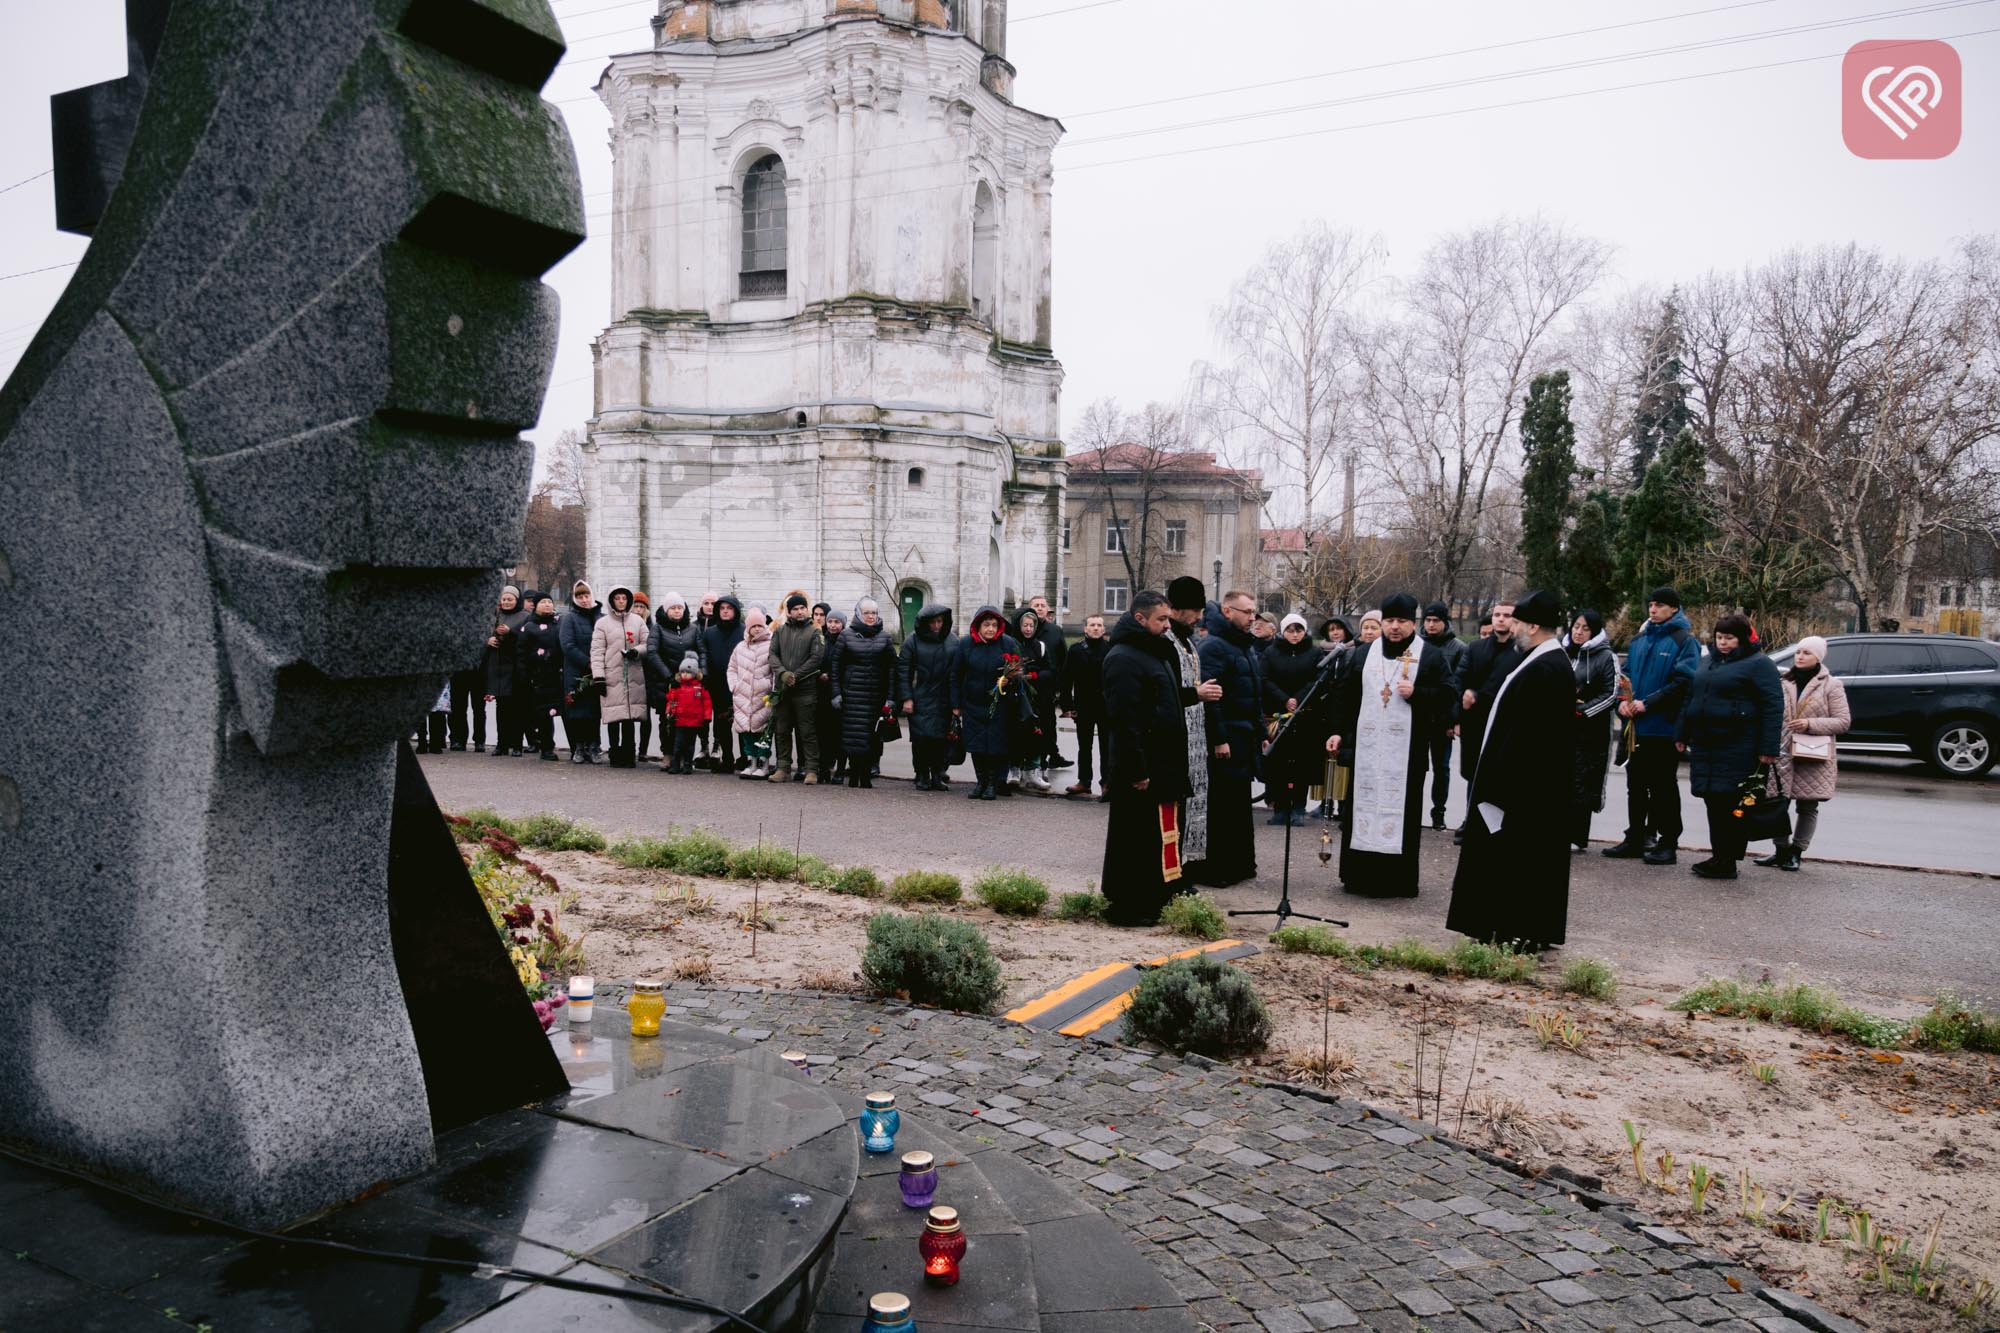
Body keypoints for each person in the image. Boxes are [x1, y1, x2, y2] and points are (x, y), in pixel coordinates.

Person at [1446, 590, 1578, 951]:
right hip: (1527, 787)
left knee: (1520, 862)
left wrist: (1497, 788)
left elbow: (1528, 739)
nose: (1511, 629)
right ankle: (1512, 927)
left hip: (1524, 791)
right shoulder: (1541, 661)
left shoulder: (1546, 667)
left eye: (1517, 622)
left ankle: (1516, 929)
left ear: (1533, 625)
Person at [1099, 591, 1220, 926]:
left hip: (1163, 764)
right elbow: (1126, 721)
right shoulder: (1123, 658)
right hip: (1142, 768)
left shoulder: (1154, 652)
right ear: (1140, 619)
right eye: (1162, 620)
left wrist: (1192, 695)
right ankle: (1130, 907)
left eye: (1169, 619)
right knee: (1135, 841)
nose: (1168, 626)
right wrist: (1136, 769)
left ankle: (1153, 901)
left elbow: (1161, 700)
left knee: (1158, 838)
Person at [1321, 593, 1450, 898]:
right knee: (1359, 809)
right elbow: (1345, 696)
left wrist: (1417, 693)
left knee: (1401, 813)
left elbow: (1448, 698)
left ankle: (1397, 882)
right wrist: (1338, 731)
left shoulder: (1429, 655)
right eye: (1389, 621)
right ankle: (1356, 877)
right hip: (1366, 751)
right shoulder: (1364, 654)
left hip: (1406, 755)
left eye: (1401, 621)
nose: (1394, 627)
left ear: (1412, 623)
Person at [1676, 612, 1784, 880]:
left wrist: (1769, 748)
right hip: (1707, 744)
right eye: (1719, 637)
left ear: (1743, 638)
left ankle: (1728, 859)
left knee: (1732, 804)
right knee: (1713, 801)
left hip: (1740, 745)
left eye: (1730, 638)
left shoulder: (1759, 664)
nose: (1723, 643)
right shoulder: (1707, 662)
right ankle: (1719, 855)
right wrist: (1682, 732)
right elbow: (1691, 698)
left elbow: (1773, 707)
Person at [1604, 587, 1701, 865]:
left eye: (1659, 605)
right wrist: (1623, 701)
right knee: (1635, 786)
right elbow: (1627, 676)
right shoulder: (1640, 639)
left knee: (1663, 787)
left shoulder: (1684, 641)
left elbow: (1684, 682)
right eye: (1650, 604)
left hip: (1663, 726)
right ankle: (1636, 838)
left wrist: (1649, 703)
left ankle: (1668, 842)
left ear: (1674, 608)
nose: (1653, 609)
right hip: (1636, 727)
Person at [1754, 635, 1851, 872]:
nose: (1800, 656)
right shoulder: (1783, 681)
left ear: (1818, 657)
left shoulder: (1831, 685)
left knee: (1807, 806)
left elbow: (1843, 721)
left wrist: (1810, 724)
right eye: (1798, 652)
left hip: (1812, 754)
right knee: (1777, 802)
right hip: (1783, 751)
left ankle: (1797, 852)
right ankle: (1780, 849)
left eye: (1807, 653)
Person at [1189, 591, 1264, 887]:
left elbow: (1253, 691)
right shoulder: (1214, 647)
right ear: (1228, 612)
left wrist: (1261, 732)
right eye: (1247, 612)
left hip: (1243, 736)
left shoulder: (1245, 646)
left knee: (1238, 804)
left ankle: (1239, 863)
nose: (1252, 617)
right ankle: (1216, 868)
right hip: (1226, 739)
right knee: (1220, 805)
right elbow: (1211, 699)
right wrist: (1219, 738)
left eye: (1254, 612)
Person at [1451, 601, 1523, 843]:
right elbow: (1459, 680)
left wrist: (1477, 696)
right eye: (1497, 615)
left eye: (1507, 615)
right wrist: (1459, 712)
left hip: (1504, 725)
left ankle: (1496, 827)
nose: (1501, 619)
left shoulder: (1520, 652)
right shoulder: (1476, 648)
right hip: (1474, 724)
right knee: (1475, 776)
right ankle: (1471, 821)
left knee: (1500, 776)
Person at [1164, 576, 1219, 871]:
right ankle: (1174, 869)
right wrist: (1196, 694)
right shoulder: (1166, 643)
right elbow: (1163, 691)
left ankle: (1186, 866)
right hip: (1175, 739)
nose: (1199, 618)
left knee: (1192, 805)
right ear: (1178, 609)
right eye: (1195, 611)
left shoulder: (1188, 642)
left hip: (1194, 740)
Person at [952, 606, 1025, 800]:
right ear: (978, 626)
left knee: (995, 745)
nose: (991, 629)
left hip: (999, 704)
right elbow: (956, 675)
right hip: (973, 703)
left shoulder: (1007, 644)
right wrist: (956, 704)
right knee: (976, 745)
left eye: (994, 625)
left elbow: (1018, 672)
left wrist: (1009, 679)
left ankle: (993, 783)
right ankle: (980, 782)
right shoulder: (966, 644)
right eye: (986, 625)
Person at [1564, 609, 1619, 850]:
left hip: (1590, 730)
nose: (1579, 631)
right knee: (1562, 778)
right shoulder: (1563, 651)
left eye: (1585, 628)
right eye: (1576, 626)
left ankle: (1577, 836)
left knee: (1583, 781)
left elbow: (1611, 693)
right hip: (1563, 727)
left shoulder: (1606, 656)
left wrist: (1583, 710)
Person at [1261, 613, 1322, 826]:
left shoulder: (1315, 653)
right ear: (1282, 631)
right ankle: (1280, 808)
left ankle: (1298, 807)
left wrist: (1299, 698)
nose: (1294, 635)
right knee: (1278, 763)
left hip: (1304, 714)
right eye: (1290, 630)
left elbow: (1317, 679)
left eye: (1298, 630)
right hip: (1279, 714)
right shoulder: (1271, 652)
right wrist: (1284, 699)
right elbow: (1265, 679)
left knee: (1302, 763)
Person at [834, 599, 898, 789]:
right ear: (859, 614)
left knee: (871, 736)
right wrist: (836, 693)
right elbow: (836, 667)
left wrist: (891, 697)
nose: (871, 616)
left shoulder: (885, 638)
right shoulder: (846, 636)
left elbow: (892, 669)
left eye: (874, 613)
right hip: (852, 694)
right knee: (853, 736)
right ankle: (854, 774)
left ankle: (867, 774)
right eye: (867, 612)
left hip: (875, 695)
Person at [900, 603, 959, 791]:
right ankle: (921, 774)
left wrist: (956, 701)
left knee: (940, 739)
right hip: (920, 697)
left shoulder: (952, 641)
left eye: (940, 621)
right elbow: (904, 672)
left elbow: (957, 673)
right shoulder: (913, 641)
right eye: (932, 622)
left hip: (944, 697)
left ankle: (937, 774)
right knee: (920, 739)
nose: (936, 626)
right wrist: (907, 698)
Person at [1419, 602, 1468, 832]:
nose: (1431, 625)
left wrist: (1453, 720)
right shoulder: (1416, 644)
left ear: (1444, 622)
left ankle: (1438, 812)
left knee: (1441, 768)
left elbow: (1458, 687)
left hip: (1442, 718)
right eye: (1427, 620)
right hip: (1419, 713)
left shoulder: (1457, 648)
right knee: (1416, 766)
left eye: (1435, 621)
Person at [590, 586, 650, 768]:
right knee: (614, 715)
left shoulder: (638, 621)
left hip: (633, 673)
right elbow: (597, 651)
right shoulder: (602, 624)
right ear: (612, 601)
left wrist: (636, 652)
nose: (621, 601)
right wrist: (598, 676)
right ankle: (615, 752)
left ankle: (629, 753)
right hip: (612, 674)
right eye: (618, 598)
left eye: (624, 598)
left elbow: (648, 643)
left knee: (630, 716)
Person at [768, 593, 824, 784]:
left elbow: (816, 658)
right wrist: (783, 674)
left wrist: (795, 676)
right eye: (795, 609)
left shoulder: (815, 632)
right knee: (782, 730)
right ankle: (783, 768)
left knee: (807, 732)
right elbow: (772, 655)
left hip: (805, 690)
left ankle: (811, 770)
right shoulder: (780, 631)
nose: (800, 612)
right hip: (783, 690)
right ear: (789, 612)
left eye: (802, 608)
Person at [645, 593, 704, 765]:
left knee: (688, 720)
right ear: (666, 610)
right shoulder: (658, 629)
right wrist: (668, 676)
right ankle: (668, 754)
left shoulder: (693, 629)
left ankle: (686, 756)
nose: (677, 611)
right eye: (673, 608)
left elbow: (702, 651)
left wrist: (701, 672)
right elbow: (652, 652)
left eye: (679, 608)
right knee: (667, 719)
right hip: (667, 682)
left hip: (689, 681)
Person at [1059, 614, 1111, 798]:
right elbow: (1066, 679)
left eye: (1099, 625)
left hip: (1106, 707)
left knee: (1107, 746)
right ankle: (1084, 781)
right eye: (1092, 625)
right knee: (1084, 746)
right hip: (1083, 705)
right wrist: (1067, 705)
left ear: (1104, 630)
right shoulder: (1075, 650)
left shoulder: (1111, 650)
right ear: (1085, 629)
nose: (1096, 628)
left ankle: (1107, 783)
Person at [1010, 607, 1058, 793]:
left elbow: (1050, 671)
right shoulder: (1012, 644)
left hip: (1037, 697)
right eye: (1025, 625)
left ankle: (1033, 770)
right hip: (1017, 697)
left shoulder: (1041, 646)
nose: (1028, 629)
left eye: (1031, 625)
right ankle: (1014, 769)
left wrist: (1032, 676)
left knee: (1036, 733)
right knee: (1015, 733)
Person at [728, 607, 775, 779]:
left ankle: (764, 763)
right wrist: (734, 686)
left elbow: (775, 670)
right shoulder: (740, 647)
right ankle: (751, 761)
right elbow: (731, 668)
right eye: (753, 626)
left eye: (760, 626)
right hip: (743, 697)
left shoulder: (771, 645)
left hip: (763, 696)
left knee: (763, 732)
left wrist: (773, 689)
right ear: (747, 628)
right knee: (747, 732)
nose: (757, 629)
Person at [484, 584, 531, 756]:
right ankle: (501, 744)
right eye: (504, 599)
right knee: (501, 708)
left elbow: (527, 638)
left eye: (510, 599)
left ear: (517, 600)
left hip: (516, 667)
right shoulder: (496, 615)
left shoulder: (525, 616)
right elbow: (483, 632)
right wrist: (488, 639)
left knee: (517, 708)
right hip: (497, 667)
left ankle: (517, 744)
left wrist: (510, 632)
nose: (506, 602)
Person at [559, 581, 603, 763]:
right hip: (576, 671)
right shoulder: (569, 618)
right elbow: (567, 645)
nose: (584, 600)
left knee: (594, 711)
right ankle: (579, 746)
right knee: (577, 711)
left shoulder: (601, 617)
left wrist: (598, 663)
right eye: (580, 597)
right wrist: (587, 662)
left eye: (586, 596)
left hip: (597, 671)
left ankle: (594, 745)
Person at [699, 594, 744, 772]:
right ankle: (727, 758)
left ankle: (744, 757)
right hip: (717, 684)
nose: (725, 612)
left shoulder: (743, 631)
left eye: (729, 608)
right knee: (722, 723)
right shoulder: (710, 633)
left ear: (736, 611)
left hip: (741, 685)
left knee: (743, 723)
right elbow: (705, 656)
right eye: (722, 609)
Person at [518, 592, 565, 761]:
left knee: (565, 712)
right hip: (538, 676)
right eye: (543, 602)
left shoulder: (560, 622)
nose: (547, 605)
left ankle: (577, 747)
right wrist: (524, 675)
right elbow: (521, 653)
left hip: (558, 674)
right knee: (544, 714)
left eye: (549, 602)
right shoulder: (529, 626)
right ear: (536, 606)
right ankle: (546, 748)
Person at [1028, 594, 1071, 770]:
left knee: (1048, 724)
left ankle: (1049, 755)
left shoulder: (1055, 631)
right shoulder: (1024, 628)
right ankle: (1034, 759)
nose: (1039, 608)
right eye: (1036, 605)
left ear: (1048, 610)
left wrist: (1061, 687)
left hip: (1048, 686)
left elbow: (1063, 659)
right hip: (1027, 685)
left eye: (1043, 605)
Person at [661, 654, 712, 774]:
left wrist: (707, 717)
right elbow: (671, 701)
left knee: (690, 745)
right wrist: (669, 712)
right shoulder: (678, 686)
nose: (685, 674)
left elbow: (707, 703)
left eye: (688, 672)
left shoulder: (700, 687)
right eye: (682, 672)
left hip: (694, 721)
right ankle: (675, 764)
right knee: (678, 744)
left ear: (694, 673)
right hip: (680, 720)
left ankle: (688, 764)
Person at [816, 610, 848, 783]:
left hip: (840, 693)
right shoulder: (822, 640)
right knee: (823, 733)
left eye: (837, 622)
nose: (833, 625)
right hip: (822, 692)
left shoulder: (847, 641)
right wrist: (819, 674)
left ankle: (840, 769)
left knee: (839, 733)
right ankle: (824, 768)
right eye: (830, 621)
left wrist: (833, 677)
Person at [628, 591, 655, 759]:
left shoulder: (652, 627)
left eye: (641, 607)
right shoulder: (626, 624)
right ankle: (629, 747)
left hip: (647, 674)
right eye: (636, 606)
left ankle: (643, 750)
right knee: (629, 713)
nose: (638, 609)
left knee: (645, 714)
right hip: (630, 671)